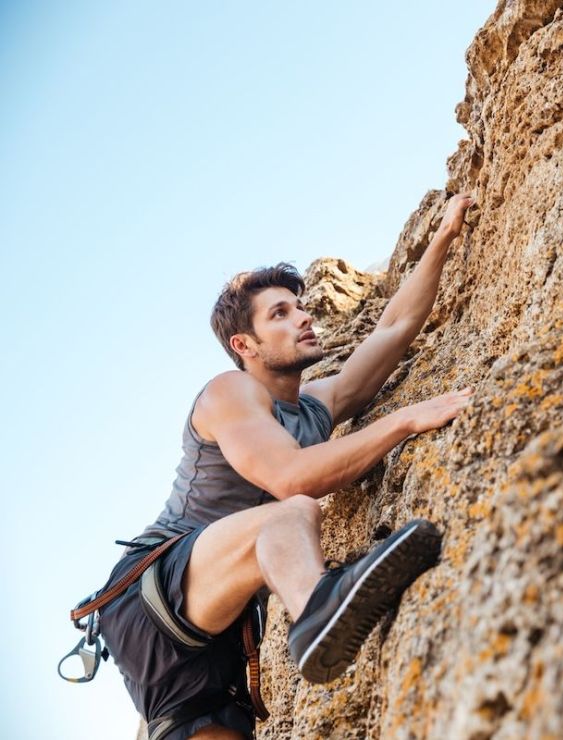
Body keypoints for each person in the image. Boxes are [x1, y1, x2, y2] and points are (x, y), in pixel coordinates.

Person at [97, 193, 477, 740]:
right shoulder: (230, 393)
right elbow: (292, 478)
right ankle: (318, 609)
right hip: (153, 596)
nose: (303, 316)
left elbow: (393, 330)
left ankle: (315, 611)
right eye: (280, 313)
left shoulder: (313, 407)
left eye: (299, 307)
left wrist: (443, 237)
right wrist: (402, 422)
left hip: (215, 631)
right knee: (289, 511)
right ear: (244, 344)